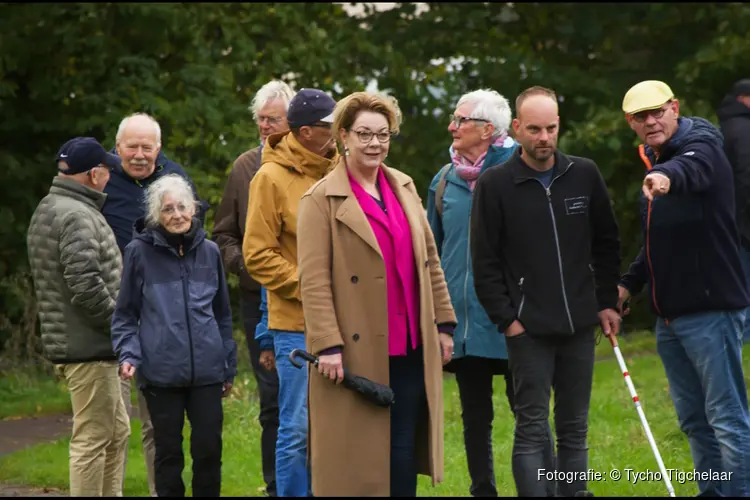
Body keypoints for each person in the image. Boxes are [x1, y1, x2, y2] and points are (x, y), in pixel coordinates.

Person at [297, 91, 457, 497]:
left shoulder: (403, 186)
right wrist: (328, 344)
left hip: (409, 342)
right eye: (364, 134)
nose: (374, 144)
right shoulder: (319, 200)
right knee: (358, 458)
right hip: (355, 347)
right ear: (343, 137)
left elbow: (430, 262)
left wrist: (443, 324)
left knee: (401, 449)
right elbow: (313, 282)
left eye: (382, 135)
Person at [471, 86, 622, 497]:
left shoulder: (584, 173)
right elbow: (483, 262)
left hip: (578, 324)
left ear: (559, 126)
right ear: (517, 128)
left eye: (551, 128)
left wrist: (606, 302)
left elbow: (607, 244)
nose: (544, 138)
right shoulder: (495, 185)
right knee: (532, 427)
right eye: (534, 129)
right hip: (528, 329)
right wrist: (508, 319)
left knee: (575, 427)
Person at [618, 80, 750, 497]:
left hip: (711, 311)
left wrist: (664, 177)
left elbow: (691, 169)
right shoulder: (655, 158)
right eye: (642, 116)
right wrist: (627, 285)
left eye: (658, 111)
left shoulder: (701, 143)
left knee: (727, 418)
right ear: (631, 123)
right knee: (694, 420)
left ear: (675, 108)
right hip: (670, 318)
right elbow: (657, 243)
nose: (651, 120)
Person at [426, 88, 555, 497]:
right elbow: (432, 250)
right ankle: (483, 490)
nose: (452, 127)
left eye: (460, 120)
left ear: (487, 129)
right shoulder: (443, 180)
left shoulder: (522, 171)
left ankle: (547, 489)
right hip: (463, 323)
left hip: (516, 319)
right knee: (474, 417)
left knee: (529, 414)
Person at [111, 173, 237, 498]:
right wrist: (128, 353)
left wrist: (228, 365)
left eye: (182, 207)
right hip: (161, 374)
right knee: (168, 455)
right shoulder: (138, 253)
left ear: (194, 209)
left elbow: (222, 314)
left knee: (209, 451)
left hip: (208, 372)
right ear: (156, 215)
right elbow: (125, 314)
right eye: (168, 209)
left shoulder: (210, 252)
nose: (177, 215)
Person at [103, 112, 209, 496]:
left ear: (159, 148)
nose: (139, 154)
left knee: (156, 427)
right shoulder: (101, 179)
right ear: (118, 148)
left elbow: (197, 239)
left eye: (148, 146)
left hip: (163, 318)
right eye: (132, 146)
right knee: (109, 425)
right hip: (109, 308)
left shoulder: (175, 179)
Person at [242, 88, 339, 497]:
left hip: (347, 322)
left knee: (336, 426)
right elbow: (257, 254)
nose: (338, 133)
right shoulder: (269, 177)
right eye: (328, 127)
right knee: (297, 428)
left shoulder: (344, 171)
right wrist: (311, 289)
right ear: (305, 132)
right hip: (295, 324)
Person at [27, 137, 130, 496]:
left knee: (117, 432)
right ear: (94, 174)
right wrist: (121, 326)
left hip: (93, 345)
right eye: (106, 171)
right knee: (93, 438)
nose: (109, 177)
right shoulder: (76, 214)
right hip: (90, 348)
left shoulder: (56, 205)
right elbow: (85, 286)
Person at [213, 79, 295, 497]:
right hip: (257, 301)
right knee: (273, 396)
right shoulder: (245, 166)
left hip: (304, 295)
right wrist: (248, 269)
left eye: (274, 119)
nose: (266, 126)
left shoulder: (314, 163)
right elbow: (222, 234)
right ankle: (274, 483)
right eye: (261, 119)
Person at [717, 78, 750, 341]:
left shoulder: (725, 127)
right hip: (743, 224)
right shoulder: (744, 130)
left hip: (728, 221)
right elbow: (747, 175)